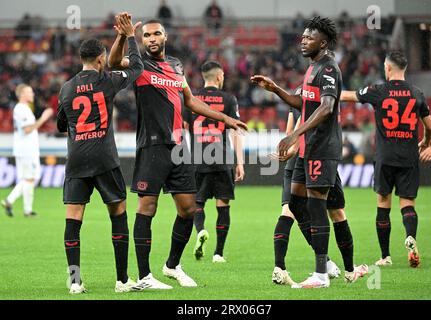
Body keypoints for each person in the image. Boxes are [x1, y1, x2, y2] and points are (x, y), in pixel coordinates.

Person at [108, 19, 247, 289]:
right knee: (147, 207)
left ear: (165, 36)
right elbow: (114, 62)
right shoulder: (139, 64)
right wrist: (125, 37)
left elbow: (191, 101)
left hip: (180, 148)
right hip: (152, 146)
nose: (150, 38)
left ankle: (172, 266)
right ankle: (146, 276)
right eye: (145, 35)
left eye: (155, 33)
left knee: (188, 208)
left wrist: (226, 119)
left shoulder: (176, 65)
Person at [252, 16, 367, 288]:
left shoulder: (328, 69)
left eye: (309, 37)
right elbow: (301, 102)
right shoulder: (313, 68)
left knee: (319, 206)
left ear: (323, 42)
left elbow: (326, 107)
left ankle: (321, 274)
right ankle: (342, 267)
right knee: (299, 203)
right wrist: (275, 88)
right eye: (302, 37)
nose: (303, 40)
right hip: (308, 149)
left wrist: (294, 134)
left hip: (321, 148)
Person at [56, 13, 144, 294]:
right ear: (99, 60)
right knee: (118, 213)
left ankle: (74, 281)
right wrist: (129, 36)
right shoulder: (107, 80)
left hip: (77, 159)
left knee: (73, 221)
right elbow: (137, 69)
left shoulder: (67, 88)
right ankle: (121, 280)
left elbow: (61, 124)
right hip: (105, 158)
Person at [340, 51, 431, 268]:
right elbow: (430, 126)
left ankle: (385, 256)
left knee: (383, 205)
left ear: (388, 68)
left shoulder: (379, 91)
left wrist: (320, 93)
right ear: (405, 68)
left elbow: (348, 96)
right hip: (409, 157)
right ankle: (410, 236)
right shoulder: (417, 93)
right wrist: (425, 142)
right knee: (407, 204)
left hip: (385, 157)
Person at [183, 60, 244, 263]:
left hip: (198, 159)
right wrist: (240, 162)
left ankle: (200, 230)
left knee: (197, 203)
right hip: (222, 159)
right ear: (219, 77)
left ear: (203, 77)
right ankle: (218, 253)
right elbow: (236, 131)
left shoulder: (191, 98)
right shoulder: (229, 99)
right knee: (222, 204)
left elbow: (182, 130)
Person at [1, 85, 53, 217]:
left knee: (30, 179)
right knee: (30, 179)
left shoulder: (25, 109)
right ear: (22, 94)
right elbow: (27, 129)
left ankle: (26, 209)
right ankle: (12, 201)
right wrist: (43, 118)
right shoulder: (20, 109)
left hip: (28, 149)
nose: (33, 94)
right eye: (30, 92)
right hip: (26, 150)